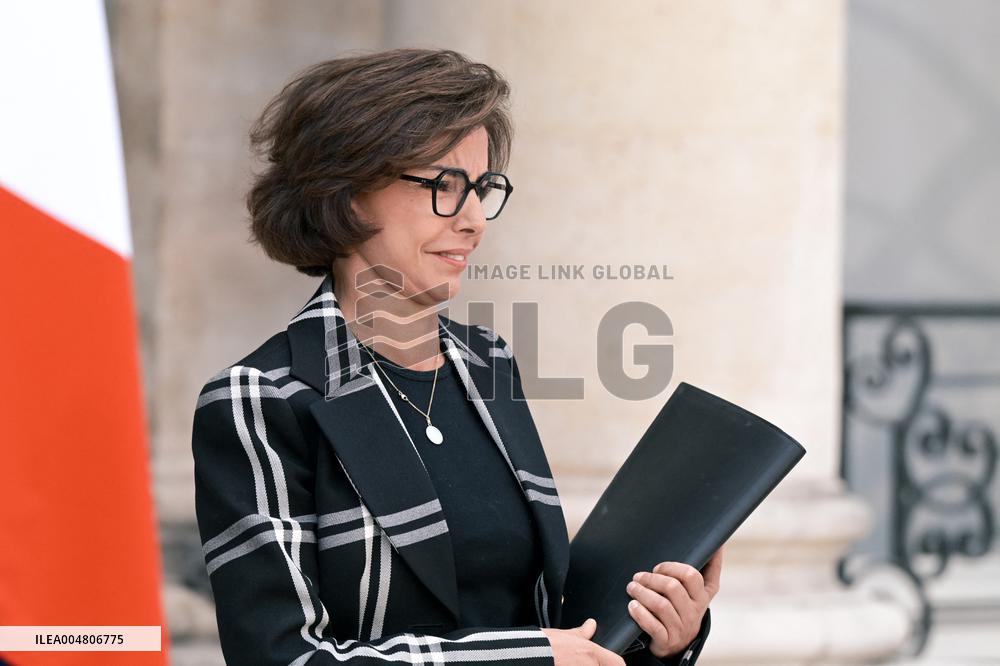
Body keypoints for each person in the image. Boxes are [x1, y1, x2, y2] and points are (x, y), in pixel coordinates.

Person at [191, 47, 721, 666]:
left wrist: (658, 637)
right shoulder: (261, 399)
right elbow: (281, 658)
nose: (474, 220)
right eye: (445, 185)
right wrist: (525, 659)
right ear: (349, 192)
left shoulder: (487, 362)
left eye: (483, 189)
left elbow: (550, 623)